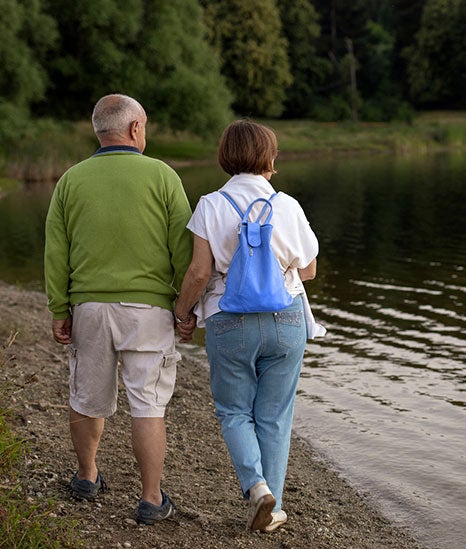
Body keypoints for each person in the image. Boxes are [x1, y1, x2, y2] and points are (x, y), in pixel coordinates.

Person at [44, 93, 193, 525]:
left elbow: (57, 252)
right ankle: (150, 499)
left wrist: (60, 307)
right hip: (148, 311)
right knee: (147, 404)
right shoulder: (163, 177)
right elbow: (183, 251)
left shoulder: (70, 180)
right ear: (135, 128)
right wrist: (186, 310)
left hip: (89, 307)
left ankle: (87, 477)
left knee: (87, 398)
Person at [173, 119, 324, 533]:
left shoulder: (210, 204)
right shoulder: (288, 205)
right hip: (286, 318)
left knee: (235, 411)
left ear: (225, 156)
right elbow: (308, 269)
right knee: (275, 415)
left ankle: (257, 488)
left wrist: (182, 312)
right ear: (269, 158)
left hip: (229, 321)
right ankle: (272, 510)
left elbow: (199, 273)